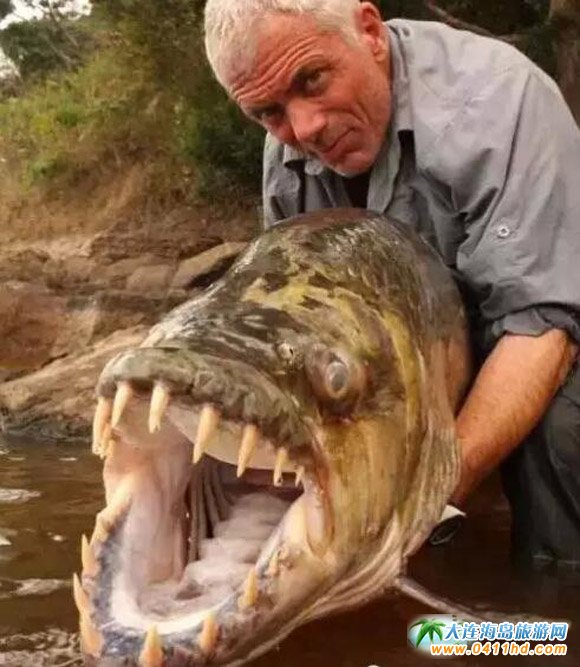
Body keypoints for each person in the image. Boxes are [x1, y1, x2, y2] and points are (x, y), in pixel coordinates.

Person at [203, 0, 580, 568]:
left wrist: (416, 505)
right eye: (268, 113)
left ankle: (552, 600)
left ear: (370, 32)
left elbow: (542, 328)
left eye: (313, 80)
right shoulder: (286, 154)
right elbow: (299, 329)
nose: (304, 130)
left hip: (548, 320)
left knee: (559, 430)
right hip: (428, 346)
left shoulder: (498, 100)